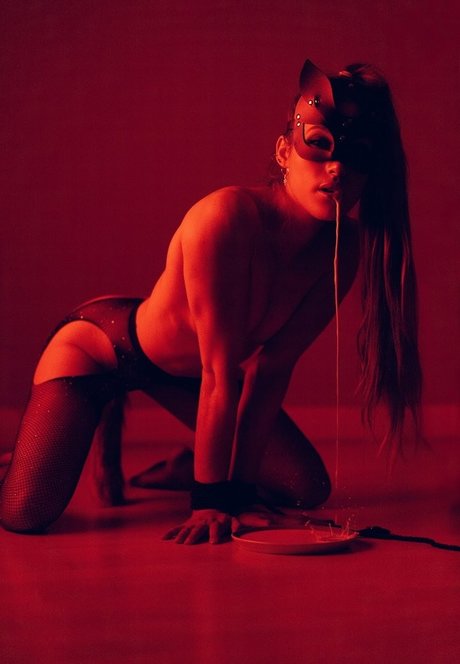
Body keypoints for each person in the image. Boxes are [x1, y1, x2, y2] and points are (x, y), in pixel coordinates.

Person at [0, 60, 422, 542]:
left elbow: (271, 370)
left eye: (357, 155)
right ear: (284, 151)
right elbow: (222, 373)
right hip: (102, 349)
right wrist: (210, 502)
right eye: (319, 144)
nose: (337, 167)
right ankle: (34, 451)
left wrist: (239, 495)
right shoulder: (223, 219)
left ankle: (189, 463)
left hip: (192, 375)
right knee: (25, 511)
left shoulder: (343, 247)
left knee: (306, 488)